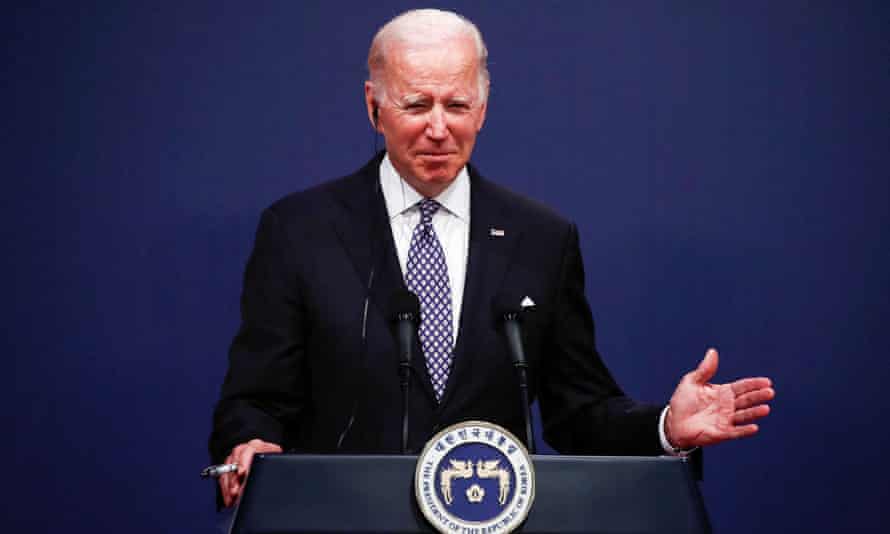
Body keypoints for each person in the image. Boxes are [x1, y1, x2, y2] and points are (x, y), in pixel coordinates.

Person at [209, 9, 774, 508]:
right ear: (373, 105)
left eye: (456, 104)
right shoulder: (300, 230)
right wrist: (249, 442)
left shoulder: (541, 238)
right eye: (416, 104)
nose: (438, 128)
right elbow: (256, 398)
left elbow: (578, 411)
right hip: (342, 518)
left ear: (482, 108)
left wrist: (666, 429)